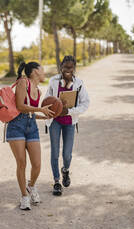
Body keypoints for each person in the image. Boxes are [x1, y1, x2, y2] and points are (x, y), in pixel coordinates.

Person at [6, 61, 54, 210]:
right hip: (16, 126)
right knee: (22, 163)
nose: (44, 72)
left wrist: (43, 116)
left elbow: (30, 112)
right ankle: (24, 197)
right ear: (34, 71)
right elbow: (20, 106)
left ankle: (31, 186)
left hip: (31, 126)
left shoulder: (38, 90)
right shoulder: (23, 83)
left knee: (37, 164)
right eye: (42, 69)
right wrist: (40, 109)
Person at [43, 55, 90, 196]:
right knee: (55, 152)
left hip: (70, 122)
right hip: (55, 122)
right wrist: (53, 109)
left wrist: (68, 111)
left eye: (71, 67)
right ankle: (56, 182)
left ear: (74, 68)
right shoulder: (53, 81)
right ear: (61, 67)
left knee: (67, 154)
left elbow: (85, 104)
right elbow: (46, 100)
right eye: (65, 67)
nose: (68, 70)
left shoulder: (79, 83)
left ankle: (65, 170)